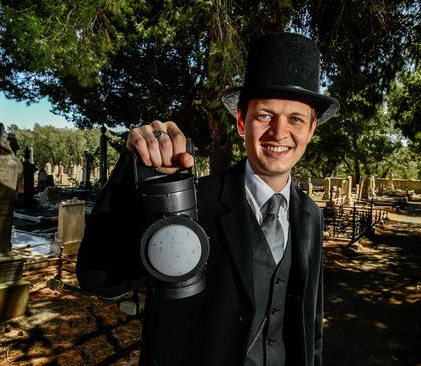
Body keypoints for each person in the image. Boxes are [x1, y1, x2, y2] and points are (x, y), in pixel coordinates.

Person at [77, 32, 339, 366]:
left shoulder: (309, 215)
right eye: (264, 115)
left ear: (311, 130)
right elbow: (99, 277)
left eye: (296, 119)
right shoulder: (194, 202)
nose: (278, 132)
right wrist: (134, 174)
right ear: (242, 122)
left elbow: (309, 320)